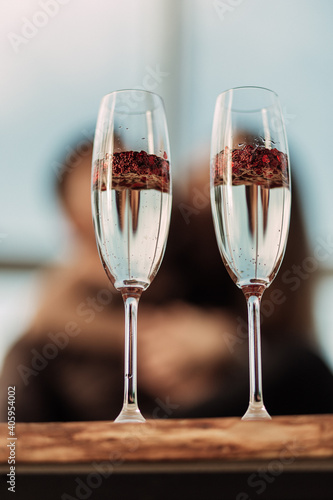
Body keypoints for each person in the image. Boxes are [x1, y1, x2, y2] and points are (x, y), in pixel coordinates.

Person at [0, 137, 332, 422]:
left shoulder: (184, 261)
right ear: (72, 222)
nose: (127, 183)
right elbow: (48, 306)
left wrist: (222, 342)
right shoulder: (64, 314)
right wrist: (148, 335)